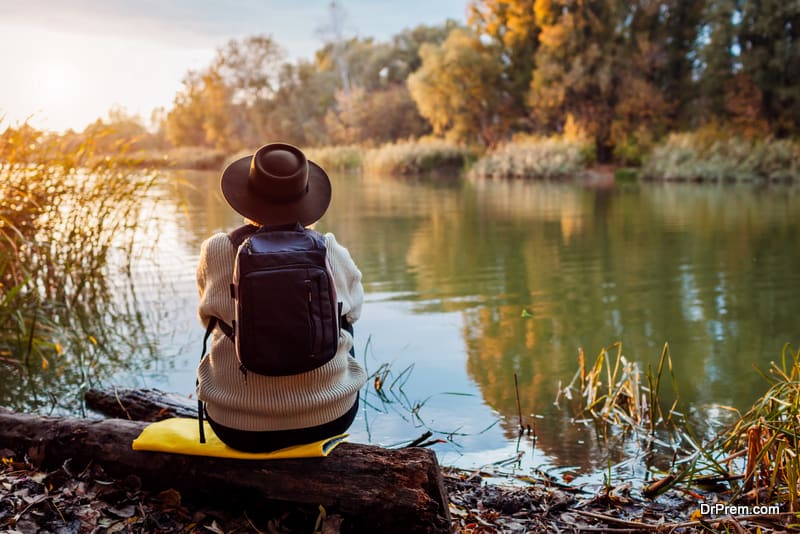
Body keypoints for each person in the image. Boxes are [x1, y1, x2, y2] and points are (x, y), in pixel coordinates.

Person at [195, 142, 367, 452]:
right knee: (344, 319)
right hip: (330, 417)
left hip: (236, 426)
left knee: (223, 326)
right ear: (305, 199)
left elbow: (206, 316)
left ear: (247, 199)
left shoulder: (217, 250)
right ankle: (324, 391)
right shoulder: (329, 249)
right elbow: (354, 312)